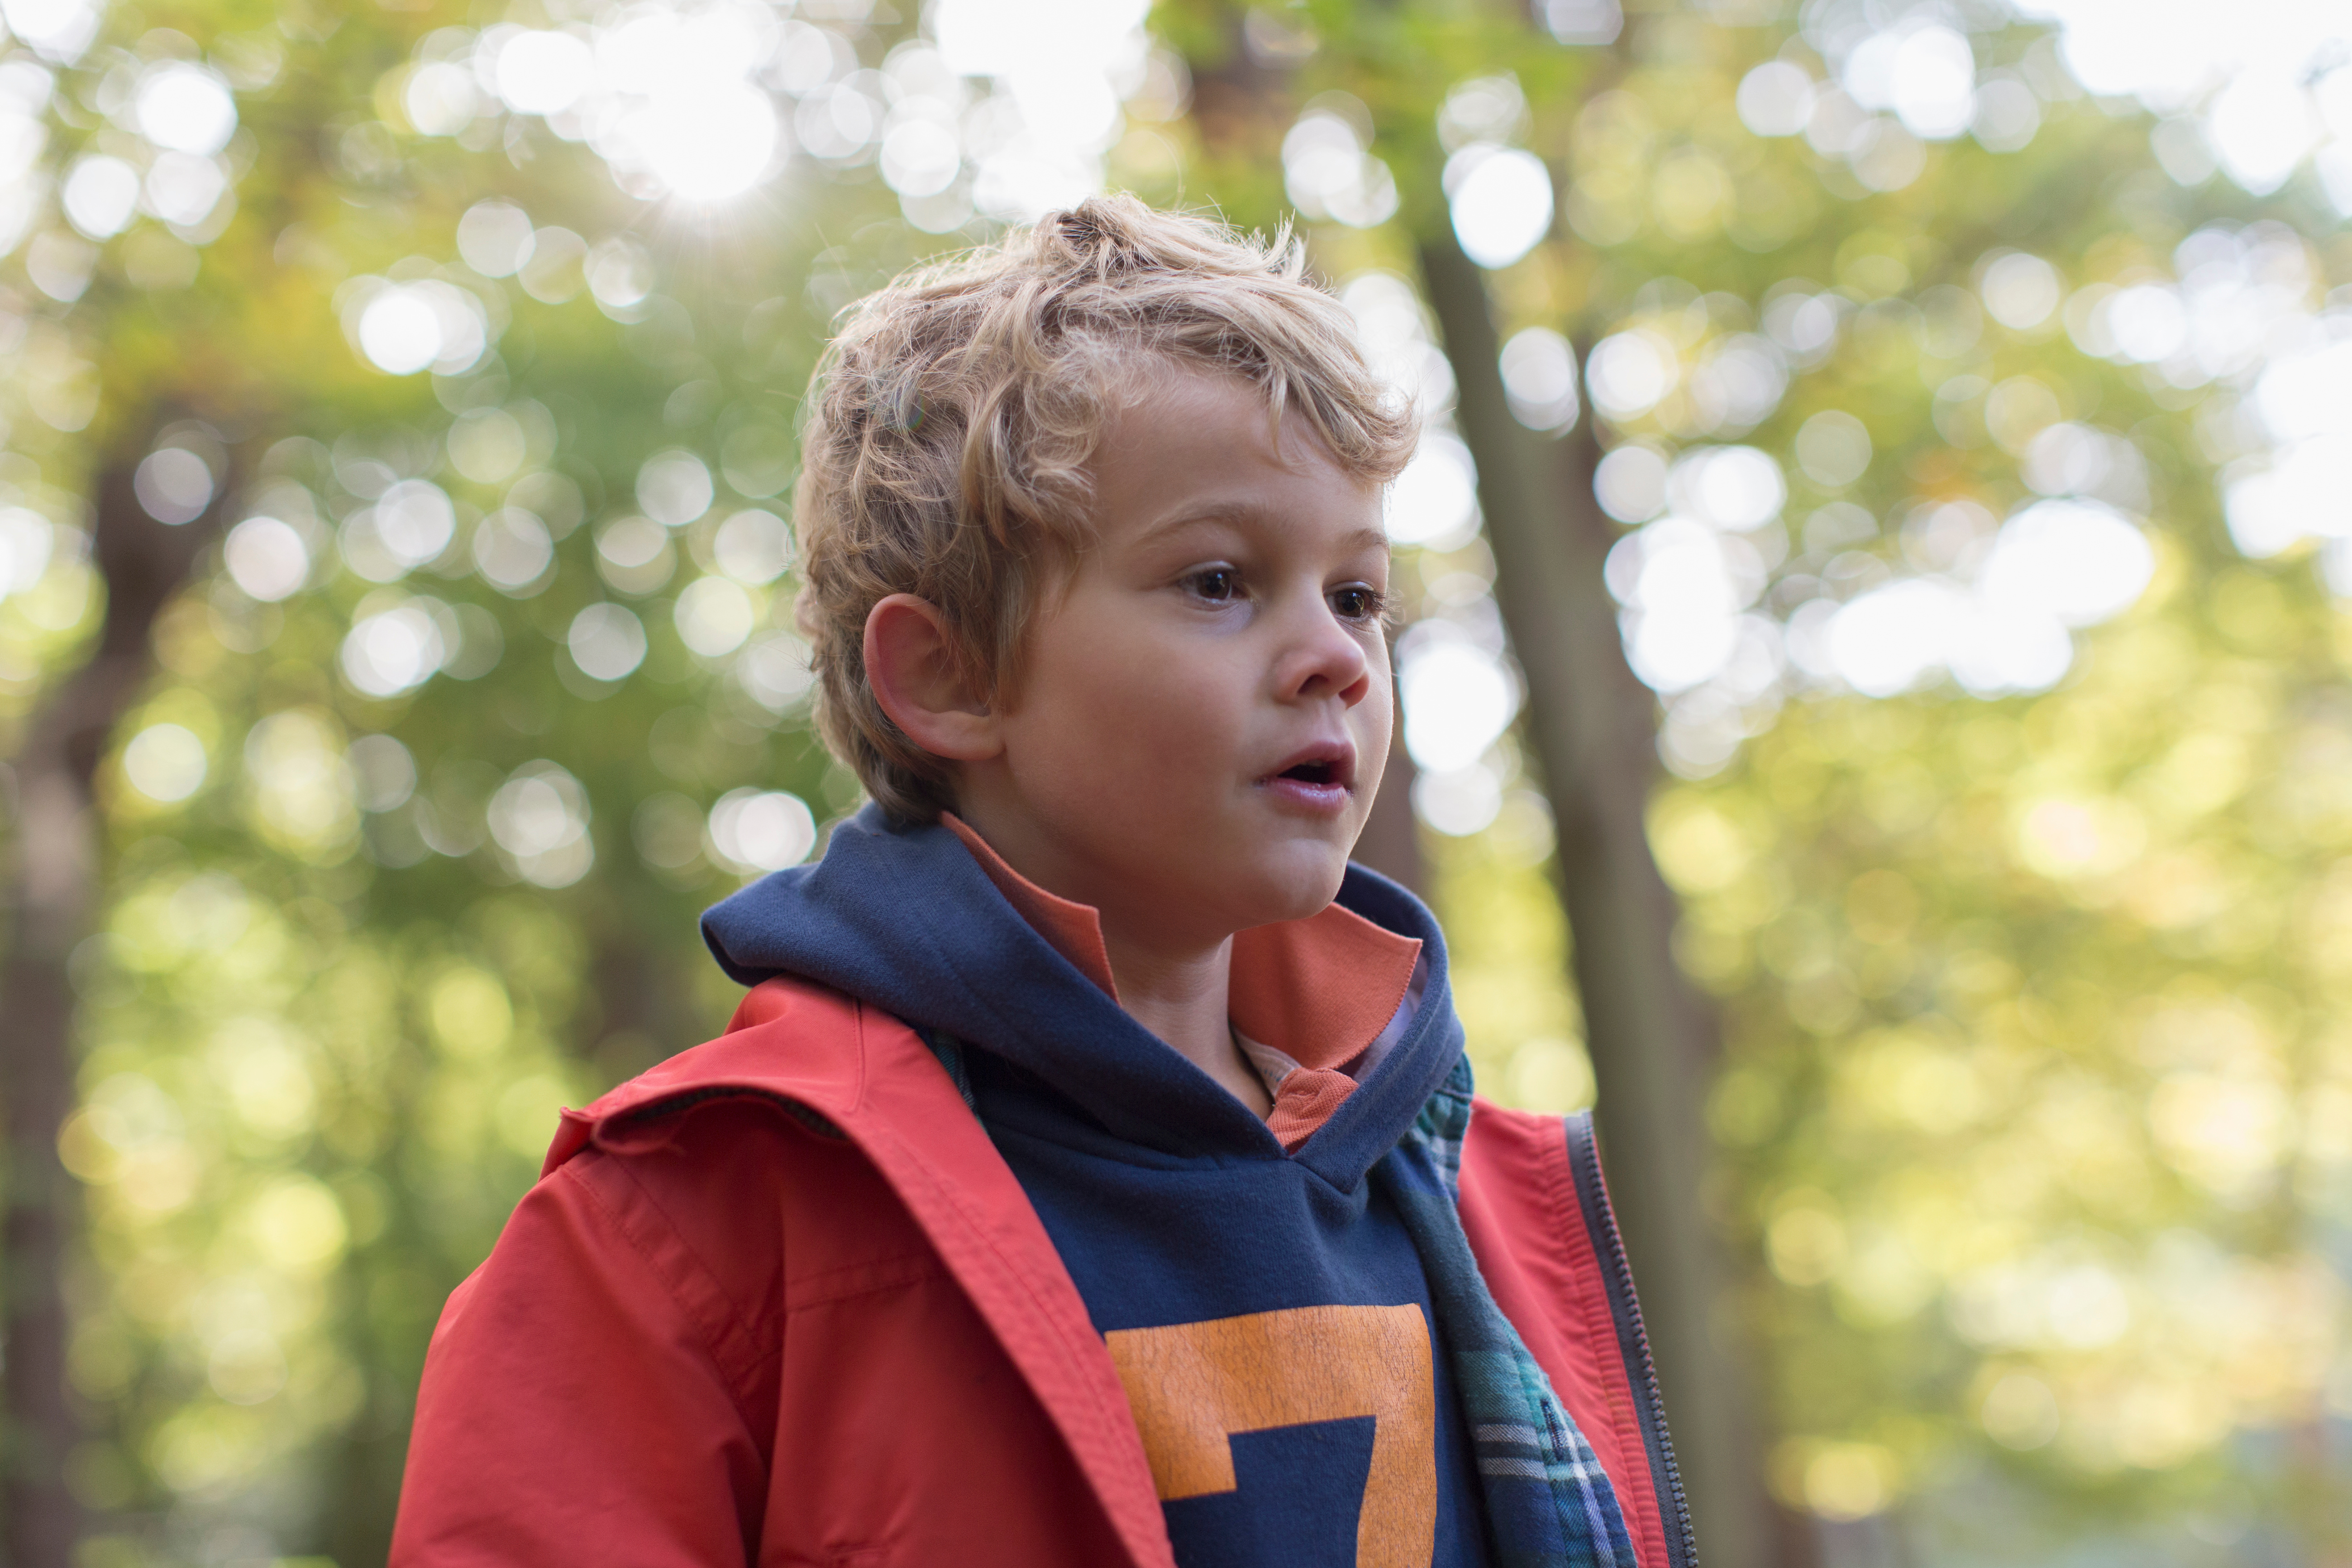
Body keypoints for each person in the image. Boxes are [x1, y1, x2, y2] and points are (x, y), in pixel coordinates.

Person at [390, 196, 1690, 1568]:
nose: (1337, 659)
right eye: (1217, 580)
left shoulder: (1479, 1197)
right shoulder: (695, 1223)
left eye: (1359, 595)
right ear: (950, 677)